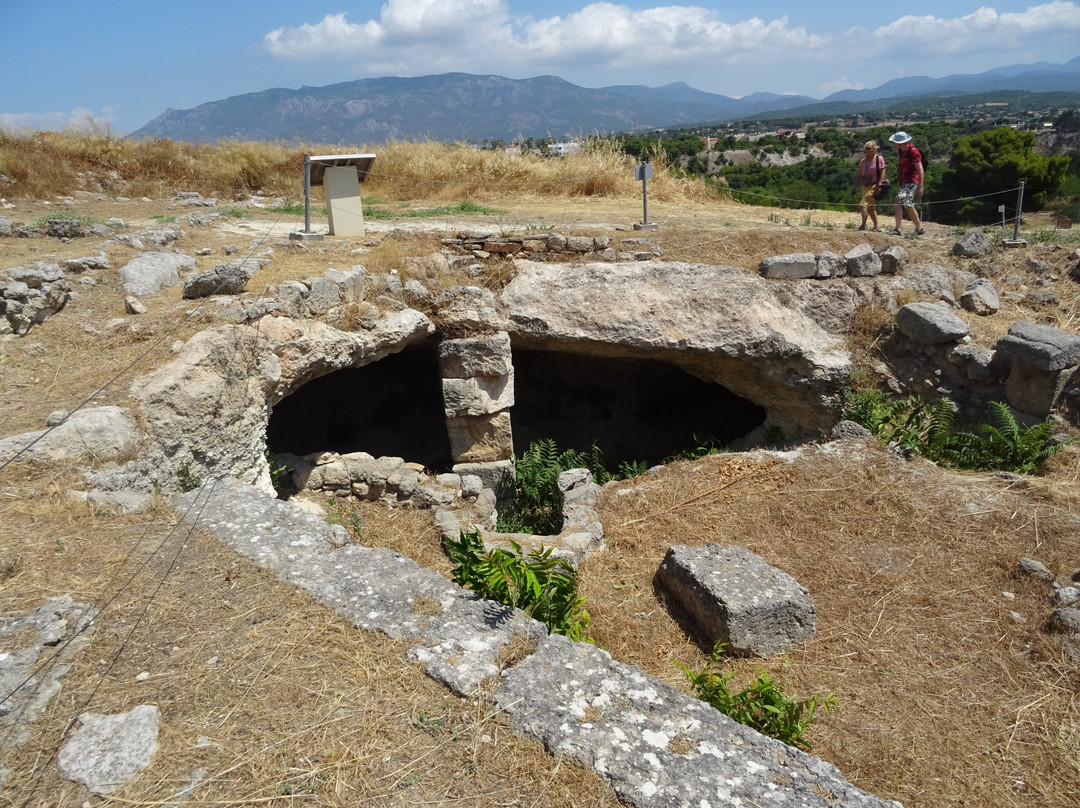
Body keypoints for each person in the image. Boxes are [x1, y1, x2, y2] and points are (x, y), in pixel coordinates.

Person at [888, 131, 925, 235]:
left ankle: (898, 229)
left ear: (900, 143)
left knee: (899, 202)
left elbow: (920, 168)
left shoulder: (913, 151)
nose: (894, 144)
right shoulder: (902, 151)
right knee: (906, 204)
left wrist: (920, 185)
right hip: (905, 181)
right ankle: (919, 228)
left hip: (912, 180)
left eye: (895, 142)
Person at [850, 140, 885, 231]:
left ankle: (863, 225)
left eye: (868, 148)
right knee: (870, 208)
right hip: (865, 186)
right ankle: (876, 226)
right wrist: (855, 186)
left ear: (874, 149)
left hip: (874, 186)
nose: (866, 150)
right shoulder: (863, 161)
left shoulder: (878, 159)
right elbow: (860, 175)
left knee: (863, 205)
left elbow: (882, 173)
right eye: (865, 148)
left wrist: (879, 185)